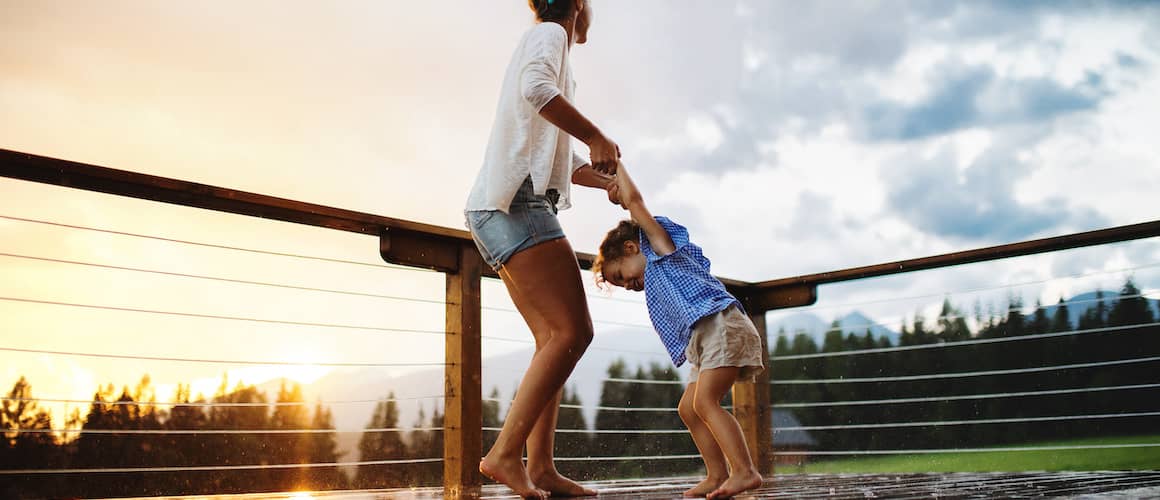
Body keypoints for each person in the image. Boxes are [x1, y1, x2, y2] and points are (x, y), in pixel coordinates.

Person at [463, 0, 620, 497]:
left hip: (500, 207)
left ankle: (541, 468)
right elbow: (537, 91)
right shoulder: (551, 34)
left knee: (555, 338)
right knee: (573, 330)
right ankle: (505, 454)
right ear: (576, 4)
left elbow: (554, 151)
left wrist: (606, 179)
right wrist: (596, 133)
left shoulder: (548, 44)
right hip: (516, 205)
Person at [594, 164, 765, 499]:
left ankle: (745, 471)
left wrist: (617, 168)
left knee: (706, 402)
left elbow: (636, 202)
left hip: (721, 324)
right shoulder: (653, 268)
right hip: (704, 337)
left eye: (622, 276)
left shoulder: (661, 250)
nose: (628, 286)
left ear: (631, 248)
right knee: (689, 407)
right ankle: (716, 475)